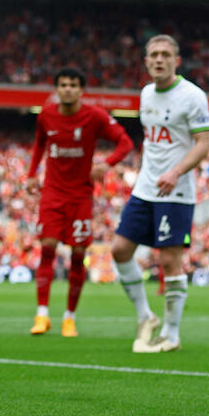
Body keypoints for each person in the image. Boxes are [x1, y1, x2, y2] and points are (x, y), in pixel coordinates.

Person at [112, 35, 209, 353]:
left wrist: (175, 172)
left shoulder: (192, 96)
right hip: (145, 188)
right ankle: (146, 317)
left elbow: (204, 144)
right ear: (146, 61)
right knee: (119, 250)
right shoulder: (146, 94)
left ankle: (171, 333)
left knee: (170, 261)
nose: (159, 59)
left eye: (165, 55)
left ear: (176, 61)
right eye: (153, 54)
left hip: (176, 191)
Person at [25, 67, 134, 337]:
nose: (68, 89)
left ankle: (69, 318)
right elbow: (39, 144)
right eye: (63, 84)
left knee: (77, 254)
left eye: (73, 85)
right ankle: (42, 315)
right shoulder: (46, 115)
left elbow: (125, 142)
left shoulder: (94, 116)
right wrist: (31, 174)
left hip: (80, 195)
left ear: (81, 90)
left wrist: (107, 163)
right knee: (47, 248)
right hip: (52, 193)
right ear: (57, 89)